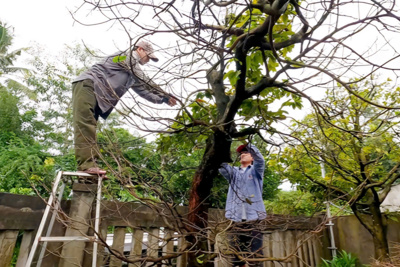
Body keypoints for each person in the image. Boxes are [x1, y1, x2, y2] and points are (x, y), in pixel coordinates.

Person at [72, 40, 176, 175]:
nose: (148, 60)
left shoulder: (131, 73)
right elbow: (144, 79)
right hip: (88, 85)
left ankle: (89, 169)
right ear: (139, 49)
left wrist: (162, 99)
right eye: (148, 56)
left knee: (90, 127)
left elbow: (143, 91)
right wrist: (165, 94)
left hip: (98, 94)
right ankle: (87, 166)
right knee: (85, 125)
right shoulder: (124, 57)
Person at [219, 143, 266, 267]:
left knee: (255, 256)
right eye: (241, 153)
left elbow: (260, 160)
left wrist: (248, 144)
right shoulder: (233, 172)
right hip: (235, 220)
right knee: (235, 258)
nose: (243, 153)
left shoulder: (256, 171)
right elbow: (220, 165)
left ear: (252, 157)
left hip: (254, 220)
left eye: (247, 152)